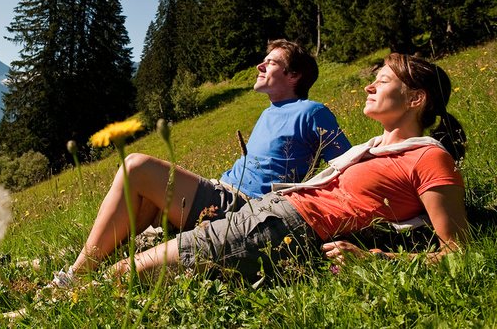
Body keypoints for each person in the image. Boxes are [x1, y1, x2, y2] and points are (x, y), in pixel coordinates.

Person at [0, 39, 350, 325]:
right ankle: (21, 292)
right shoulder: (267, 112)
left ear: (294, 75)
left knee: (139, 166)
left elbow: (345, 166)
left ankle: (65, 281)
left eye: (271, 61)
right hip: (216, 199)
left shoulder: (312, 111)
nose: (260, 64)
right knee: (135, 213)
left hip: (244, 211)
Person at [107, 52, 468, 282]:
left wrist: (378, 258)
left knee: (129, 272)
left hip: (288, 227)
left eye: (383, 81)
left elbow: (458, 250)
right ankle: (70, 284)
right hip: (272, 210)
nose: (369, 86)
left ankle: (66, 292)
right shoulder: (371, 148)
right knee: (131, 263)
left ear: (416, 99)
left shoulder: (428, 157)